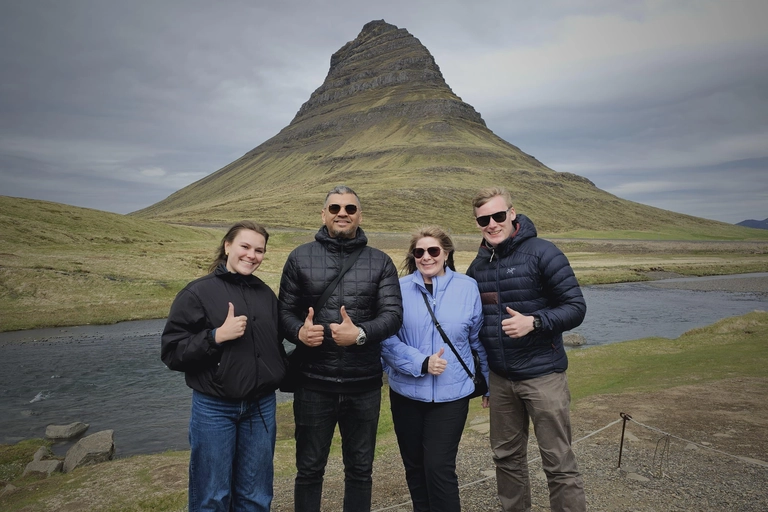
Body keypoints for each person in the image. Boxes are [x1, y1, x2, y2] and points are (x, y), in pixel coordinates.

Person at [278, 185, 403, 512]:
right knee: (309, 470)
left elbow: (393, 316)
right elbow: (284, 313)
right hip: (312, 384)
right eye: (335, 208)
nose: (342, 213)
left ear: (360, 215)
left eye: (350, 208)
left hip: (364, 386)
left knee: (360, 470)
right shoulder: (299, 257)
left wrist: (360, 334)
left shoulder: (381, 262)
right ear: (323, 214)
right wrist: (299, 333)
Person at [466, 188, 587, 512]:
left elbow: (576, 308)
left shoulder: (543, 252)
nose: (492, 224)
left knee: (558, 461)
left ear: (512, 213)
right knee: (506, 458)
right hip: (501, 380)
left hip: (543, 375)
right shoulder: (478, 265)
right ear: (477, 223)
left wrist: (534, 322)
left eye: (498, 216)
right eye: (483, 220)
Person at [161, 221, 286, 512]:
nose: (252, 255)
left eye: (259, 250)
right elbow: (172, 352)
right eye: (245, 246)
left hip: (261, 406)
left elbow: (273, 346)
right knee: (212, 497)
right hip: (214, 408)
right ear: (227, 246)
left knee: (256, 495)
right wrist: (215, 336)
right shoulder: (197, 293)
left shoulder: (265, 294)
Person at [381, 226, 489, 512]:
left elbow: (477, 339)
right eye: (419, 252)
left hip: (452, 395)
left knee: (439, 467)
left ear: (446, 253)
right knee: (415, 467)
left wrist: (488, 383)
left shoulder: (467, 287)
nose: (426, 257)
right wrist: (420, 362)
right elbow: (387, 339)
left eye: (433, 250)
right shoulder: (397, 288)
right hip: (406, 393)